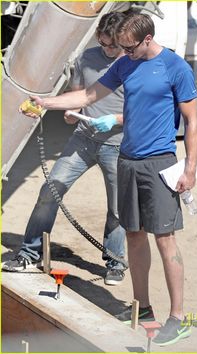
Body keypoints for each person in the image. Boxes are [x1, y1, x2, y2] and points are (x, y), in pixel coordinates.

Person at [17, 13, 197, 346]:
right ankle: (143, 308)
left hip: (159, 162)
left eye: (129, 48)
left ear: (147, 39)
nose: (122, 54)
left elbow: (191, 122)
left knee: (164, 239)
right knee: (133, 235)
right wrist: (46, 103)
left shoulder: (176, 68)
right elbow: (87, 97)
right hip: (127, 159)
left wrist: (190, 169)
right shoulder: (125, 63)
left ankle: (178, 318)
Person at [3, 12, 128, 286]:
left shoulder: (133, 66)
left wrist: (115, 120)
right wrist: (72, 112)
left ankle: (116, 261)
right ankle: (29, 252)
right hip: (83, 138)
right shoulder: (87, 59)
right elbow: (78, 94)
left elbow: (143, 112)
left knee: (118, 208)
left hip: (118, 144)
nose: (108, 50)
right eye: (104, 44)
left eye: (113, 46)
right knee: (49, 192)